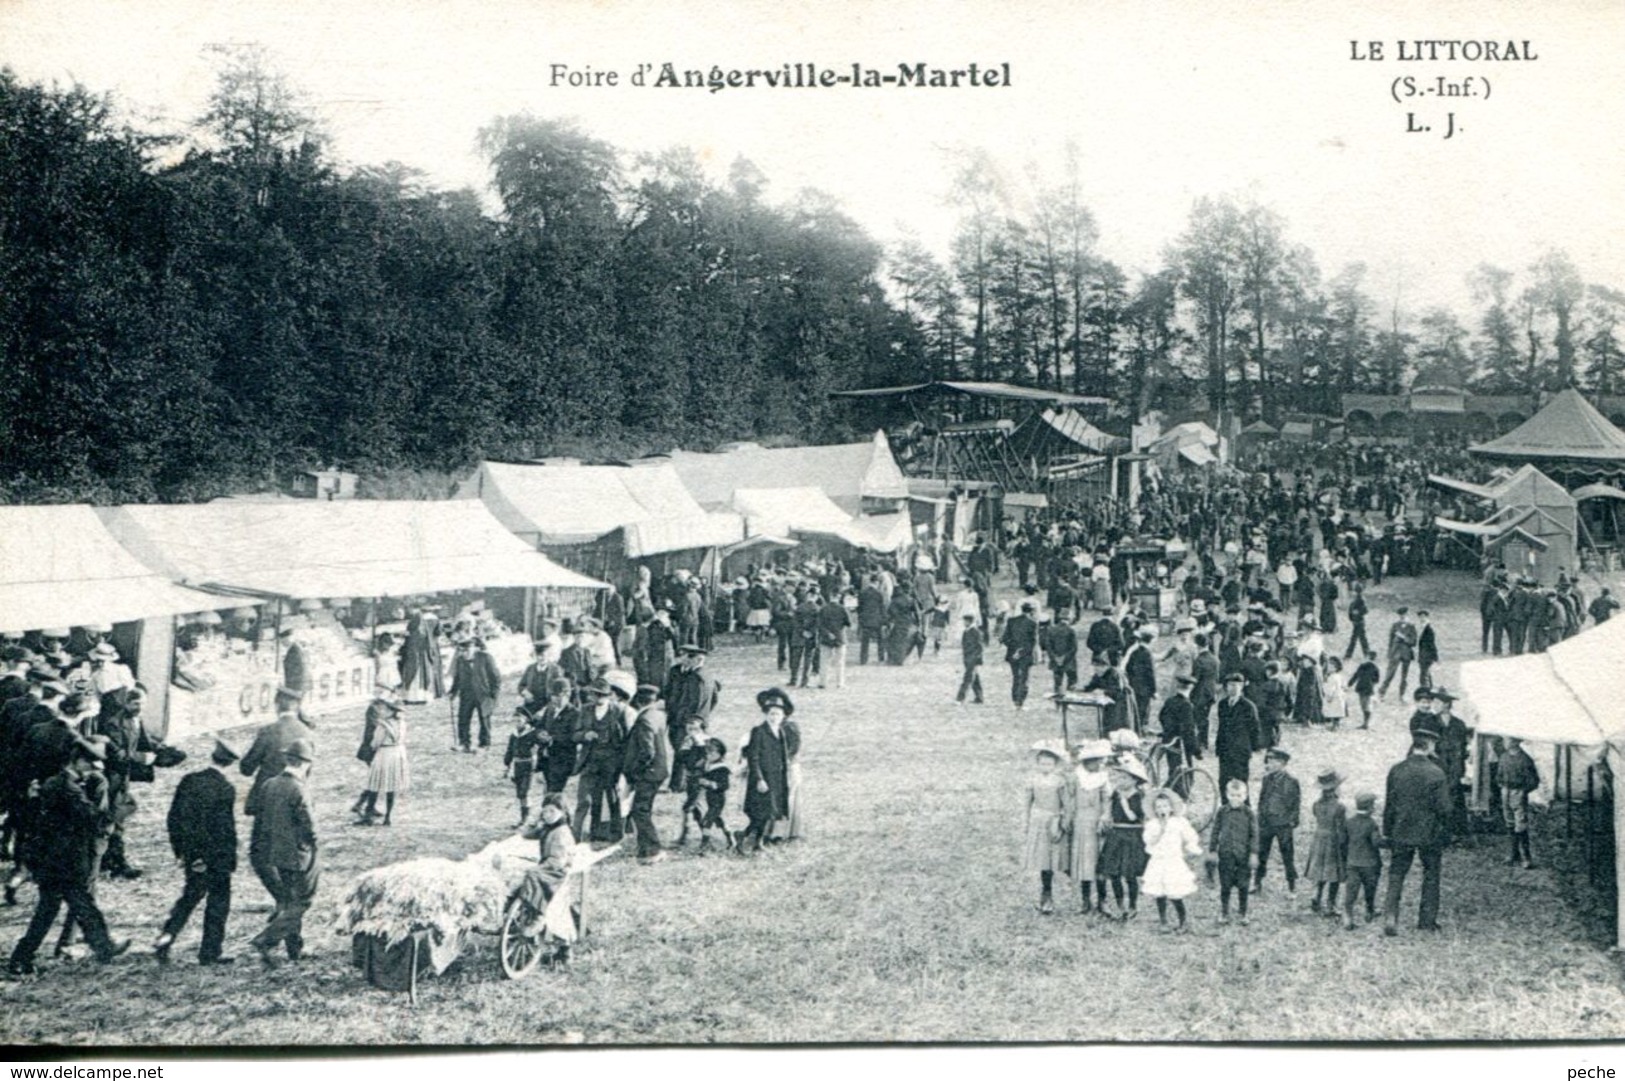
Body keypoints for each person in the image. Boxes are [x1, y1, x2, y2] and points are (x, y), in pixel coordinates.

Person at [154, 738, 239, 966]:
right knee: (218, 903)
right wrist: (228, 859)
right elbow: (224, 830)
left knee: (189, 898)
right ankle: (210, 952)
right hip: (216, 857)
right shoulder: (225, 789)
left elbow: (174, 818)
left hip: (192, 853)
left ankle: (166, 936)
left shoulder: (189, 780)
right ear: (229, 763)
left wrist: (182, 852)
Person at [249, 738, 318, 966]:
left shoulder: (269, 784)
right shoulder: (299, 789)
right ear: (303, 763)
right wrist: (314, 846)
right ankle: (267, 939)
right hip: (298, 854)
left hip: (275, 853)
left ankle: (294, 950)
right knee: (302, 902)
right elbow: (310, 827)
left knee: (288, 901)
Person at [1382, 723, 1453, 936]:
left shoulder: (1397, 769)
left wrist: (1389, 832)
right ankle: (1427, 920)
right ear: (1430, 745)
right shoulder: (1436, 773)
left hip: (1401, 831)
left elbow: (1389, 804)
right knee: (1431, 873)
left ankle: (1391, 915)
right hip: (1428, 834)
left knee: (1396, 873)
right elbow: (1445, 808)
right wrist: (1446, 832)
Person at [571, 675, 631, 843]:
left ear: (608, 695)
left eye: (601, 695)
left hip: (611, 761)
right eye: (594, 694)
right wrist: (585, 735)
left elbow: (626, 739)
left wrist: (622, 763)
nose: (597, 698)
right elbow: (574, 735)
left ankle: (617, 832)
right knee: (592, 798)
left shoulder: (619, 711)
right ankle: (594, 831)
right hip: (590, 760)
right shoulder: (585, 710)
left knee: (612, 797)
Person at [741, 688, 799, 854]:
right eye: (771, 714)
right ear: (766, 714)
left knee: (770, 811)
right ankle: (750, 840)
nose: (774, 717)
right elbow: (754, 758)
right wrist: (759, 779)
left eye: (777, 714)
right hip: (762, 778)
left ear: (783, 717)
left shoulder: (780, 731)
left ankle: (755, 840)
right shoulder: (758, 731)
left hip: (777, 778)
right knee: (760, 812)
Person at [622, 682, 671, 864]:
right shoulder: (658, 715)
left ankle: (652, 849)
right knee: (643, 810)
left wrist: (635, 771)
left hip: (648, 773)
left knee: (640, 811)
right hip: (658, 771)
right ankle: (645, 848)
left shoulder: (644, 720)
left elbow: (647, 752)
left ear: (638, 702)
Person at [1141, 789, 1202, 934]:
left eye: (1165, 806)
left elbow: (1190, 836)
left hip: (1173, 861)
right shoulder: (1152, 824)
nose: (1162, 809)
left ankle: (1183, 921)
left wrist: (1192, 849)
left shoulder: (1179, 822)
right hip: (1158, 861)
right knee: (1159, 892)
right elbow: (1149, 841)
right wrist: (1160, 831)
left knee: (1175, 893)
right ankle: (1163, 921)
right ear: (1154, 810)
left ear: (1171, 807)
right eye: (1159, 807)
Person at [661, 645, 721, 793]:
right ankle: (684, 782)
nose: (682, 659)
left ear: (697, 659)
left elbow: (700, 702)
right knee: (682, 750)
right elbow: (669, 692)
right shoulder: (678, 672)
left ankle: (679, 784)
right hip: (677, 719)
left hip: (688, 722)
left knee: (685, 751)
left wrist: (694, 721)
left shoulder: (700, 678)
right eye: (681, 656)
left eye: (686, 657)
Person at [1022, 741, 1073, 915]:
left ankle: (1079, 889)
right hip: (1039, 820)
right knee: (1044, 860)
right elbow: (1027, 803)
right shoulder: (1032, 779)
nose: (1046, 766)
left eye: (1049, 763)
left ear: (1055, 765)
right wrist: (1027, 822)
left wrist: (1065, 820)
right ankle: (1046, 894)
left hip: (1054, 821)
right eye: (1042, 763)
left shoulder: (1059, 781)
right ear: (1037, 763)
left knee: (1059, 858)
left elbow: (1066, 803)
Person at [1098, 757, 1149, 921]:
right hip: (1116, 834)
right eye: (1119, 777)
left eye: (1125, 778)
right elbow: (1109, 807)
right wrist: (1106, 816)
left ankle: (1133, 904)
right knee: (1114, 872)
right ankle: (1120, 904)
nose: (1120, 781)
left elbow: (1134, 817)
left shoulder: (1139, 796)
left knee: (1130, 873)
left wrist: (1124, 802)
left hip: (1132, 836)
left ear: (1135, 780)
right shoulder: (1116, 793)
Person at [1068, 740, 1112, 916]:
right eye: (1095, 761)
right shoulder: (1076, 777)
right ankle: (1085, 900)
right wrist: (1069, 820)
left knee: (1099, 862)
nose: (1099, 764)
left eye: (1101, 761)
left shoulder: (1103, 778)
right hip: (1081, 822)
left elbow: (1107, 800)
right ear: (1086, 762)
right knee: (1084, 862)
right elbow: (1070, 800)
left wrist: (1105, 816)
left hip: (1097, 823)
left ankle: (1102, 900)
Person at [1206, 779, 1258, 926]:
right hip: (1226, 854)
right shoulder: (1222, 811)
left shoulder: (1249, 813)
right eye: (1232, 795)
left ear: (1245, 795)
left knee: (1243, 885)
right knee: (1225, 885)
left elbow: (1254, 835)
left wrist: (1253, 853)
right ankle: (1224, 912)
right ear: (1227, 795)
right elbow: (1215, 831)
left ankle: (1243, 912)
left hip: (1243, 855)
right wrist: (1212, 850)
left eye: (1239, 795)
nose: (1236, 798)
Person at [356, 685, 408, 827]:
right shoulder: (402, 723)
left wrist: (373, 748)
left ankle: (367, 813)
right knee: (392, 786)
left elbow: (375, 742)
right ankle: (388, 817)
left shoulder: (383, 725)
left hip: (384, 754)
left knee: (375, 783)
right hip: (398, 753)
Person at [1254, 748, 1301, 895]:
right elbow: (1262, 800)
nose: (1270, 764)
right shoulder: (1266, 779)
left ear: (1282, 763)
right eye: (1269, 761)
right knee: (1262, 854)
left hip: (1283, 825)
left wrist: (1293, 820)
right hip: (1267, 823)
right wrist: (1260, 816)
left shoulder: (1292, 781)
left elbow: (1296, 803)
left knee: (1287, 856)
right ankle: (1257, 882)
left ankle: (1292, 886)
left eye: (1273, 762)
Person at [1305, 769, 1348, 916]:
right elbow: (1341, 828)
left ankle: (1316, 895)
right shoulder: (1339, 807)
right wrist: (1344, 844)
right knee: (1334, 873)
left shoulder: (1316, 804)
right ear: (1336, 788)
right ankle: (1331, 904)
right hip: (1333, 839)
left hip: (1319, 838)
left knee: (1320, 870)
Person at [679, 736, 734, 852]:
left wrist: (710, 783)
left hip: (718, 800)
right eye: (707, 753)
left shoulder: (722, 769)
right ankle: (730, 838)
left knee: (707, 822)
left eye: (712, 753)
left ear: (720, 754)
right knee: (718, 820)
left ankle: (704, 845)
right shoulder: (708, 766)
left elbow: (725, 785)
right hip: (710, 799)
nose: (709, 756)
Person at [448, 637, 501, 753]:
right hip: (466, 695)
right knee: (463, 719)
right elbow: (457, 678)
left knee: (484, 720)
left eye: (466, 651)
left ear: (474, 649)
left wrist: (494, 696)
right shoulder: (460, 660)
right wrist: (453, 691)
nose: (464, 654)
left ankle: (484, 744)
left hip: (483, 695)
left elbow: (496, 678)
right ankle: (464, 743)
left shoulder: (485, 658)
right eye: (461, 651)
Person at [1342, 791, 1384, 930]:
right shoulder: (1371, 824)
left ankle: (1347, 916)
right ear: (1370, 807)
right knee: (1370, 888)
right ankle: (1369, 910)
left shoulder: (1349, 822)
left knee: (1351, 890)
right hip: (1370, 863)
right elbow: (1376, 843)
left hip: (1352, 862)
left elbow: (1343, 841)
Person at [1499, 736, 1540, 870]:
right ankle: (1513, 853)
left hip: (1518, 792)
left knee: (1520, 824)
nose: (1505, 743)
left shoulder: (1524, 759)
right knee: (1509, 822)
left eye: (1508, 740)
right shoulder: (1504, 757)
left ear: (1516, 742)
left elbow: (1534, 780)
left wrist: (1523, 791)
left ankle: (1526, 857)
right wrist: (1502, 786)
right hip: (1505, 791)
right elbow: (1498, 775)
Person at [1214, 672, 1259, 792]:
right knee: (1223, 781)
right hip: (1225, 749)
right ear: (1226, 687)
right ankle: (1225, 807)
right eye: (1230, 685)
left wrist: (1250, 748)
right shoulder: (1222, 704)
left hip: (1240, 750)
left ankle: (1243, 807)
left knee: (1241, 782)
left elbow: (1254, 729)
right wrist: (1219, 747)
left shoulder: (1248, 706)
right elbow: (1221, 727)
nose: (1233, 688)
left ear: (1242, 686)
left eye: (1236, 685)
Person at [503, 709, 541, 827]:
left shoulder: (533, 733)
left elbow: (542, 744)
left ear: (526, 720)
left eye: (519, 720)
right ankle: (523, 817)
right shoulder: (514, 735)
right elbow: (510, 751)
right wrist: (507, 764)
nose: (517, 723)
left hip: (529, 765)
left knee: (525, 792)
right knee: (520, 793)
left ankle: (526, 819)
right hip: (517, 765)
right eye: (515, 721)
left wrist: (537, 750)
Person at [1001, 601, 1038, 711]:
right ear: (1031, 611)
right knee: (1024, 678)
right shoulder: (1033, 623)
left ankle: (1014, 700)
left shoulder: (1012, 621)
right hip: (1025, 654)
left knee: (1016, 677)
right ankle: (1020, 702)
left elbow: (1004, 638)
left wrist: (1014, 650)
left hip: (1012, 653)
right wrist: (1021, 652)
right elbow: (1032, 642)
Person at [1380, 606, 1417, 699]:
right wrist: (1389, 653)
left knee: (1404, 676)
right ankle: (1382, 693)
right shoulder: (1395, 625)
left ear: (1407, 615)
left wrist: (1404, 638)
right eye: (1401, 615)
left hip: (1406, 653)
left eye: (1404, 615)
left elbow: (1413, 642)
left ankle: (1402, 694)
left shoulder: (1411, 626)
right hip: (1395, 652)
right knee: (1390, 674)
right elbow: (1390, 641)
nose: (1402, 617)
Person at [816, 592, 851, 689]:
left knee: (824, 661)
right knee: (840, 662)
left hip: (826, 637)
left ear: (830, 596)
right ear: (839, 597)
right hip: (840, 636)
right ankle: (840, 683)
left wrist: (827, 633)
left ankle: (823, 682)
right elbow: (849, 623)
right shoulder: (842, 609)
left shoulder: (823, 609)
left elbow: (819, 624)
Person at [1041, 614, 1079, 699]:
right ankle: (1070, 699)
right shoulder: (1071, 630)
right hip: (1069, 660)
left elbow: (1048, 646)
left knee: (1058, 681)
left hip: (1055, 659)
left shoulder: (1051, 630)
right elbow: (1074, 647)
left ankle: (1058, 701)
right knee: (1072, 679)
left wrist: (1054, 657)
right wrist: (1064, 657)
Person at [955, 614, 985, 706]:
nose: (964, 623)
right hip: (968, 658)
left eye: (965, 621)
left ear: (969, 621)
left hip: (973, 658)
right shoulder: (966, 632)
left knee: (967, 678)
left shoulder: (975, 632)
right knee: (975, 678)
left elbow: (980, 647)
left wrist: (976, 659)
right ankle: (979, 697)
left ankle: (960, 698)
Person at [1348, 650, 1381, 729]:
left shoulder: (1363, 666)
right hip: (1367, 688)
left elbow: (1356, 675)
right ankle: (1366, 723)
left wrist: (1350, 683)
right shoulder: (1375, 668)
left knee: (1365, 705)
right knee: (1365, 705)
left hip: (1363, 687)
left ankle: (1366, 723)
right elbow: (1376, 680)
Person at [1343, 584, 1371, 661]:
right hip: (1358, 621)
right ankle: (1366, 653)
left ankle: (1349, 654)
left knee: (1357, 638)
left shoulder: (1359, 599)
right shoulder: (1360, 599)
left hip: (1358, 621)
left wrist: (1354, 614)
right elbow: (1365, 610)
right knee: (1360, 638)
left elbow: (1364, 610)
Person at [1416, 610, 1439, 689]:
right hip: (1423, 654)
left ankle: (1425, 690)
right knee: (1426, 673)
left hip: (1426, 655)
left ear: (1427, 617)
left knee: (1424, 674)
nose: (1421, 618)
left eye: (1423, 617)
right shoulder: (1423, 628)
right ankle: (1429, 689)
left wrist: (1435, 656)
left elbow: (1432, 643)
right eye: (1420, 617)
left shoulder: (1428, 629)